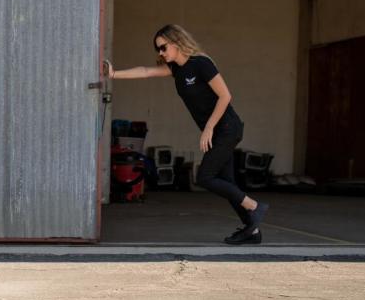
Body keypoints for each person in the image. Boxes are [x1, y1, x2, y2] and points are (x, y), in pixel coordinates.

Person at [103, 24, 269, 245]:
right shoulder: (177, 69)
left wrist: (209, 128)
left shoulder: (201, 63)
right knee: (227, 181)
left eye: (163, 48)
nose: (160, 53)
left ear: (176, 42)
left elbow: (225, 96)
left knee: (205, 177)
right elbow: (146, 71)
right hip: (218, 131)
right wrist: (114, 74)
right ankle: (252, 230)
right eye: (158, 50)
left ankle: (255, 207)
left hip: (227, 127)